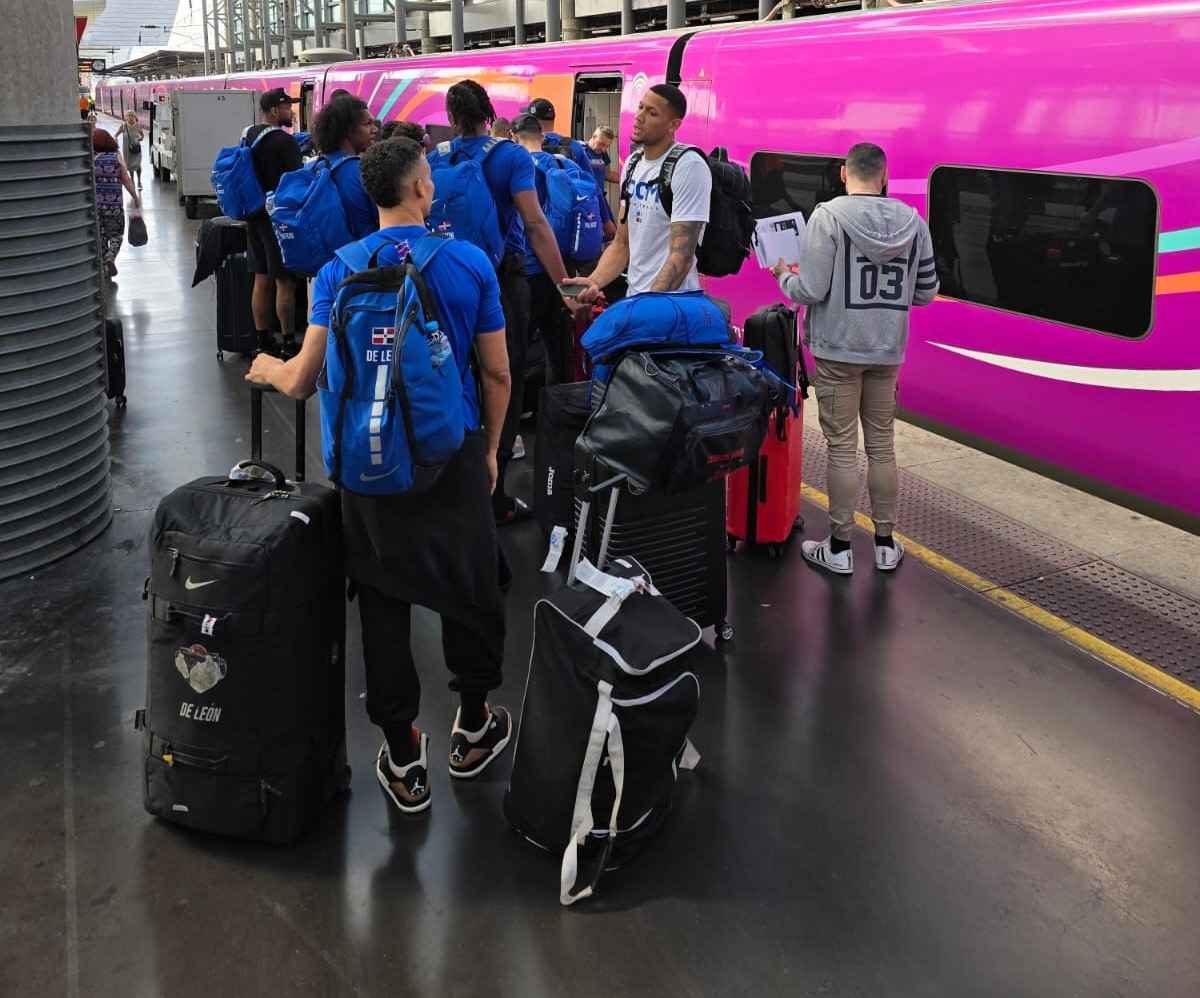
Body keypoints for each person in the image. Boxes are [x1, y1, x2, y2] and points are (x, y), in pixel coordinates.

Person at [245, 138, 514, 815]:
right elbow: (498, 372)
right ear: (423, 190)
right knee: (469, 586)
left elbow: (303, 379)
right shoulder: (469, 263)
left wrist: (264, 368)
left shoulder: (336, 271)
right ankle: (474, 724)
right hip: (450, 453)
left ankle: (402, 755)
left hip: (369, 461)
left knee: (384, 600)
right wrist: (490, 452)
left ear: (372, 195)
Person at [769, 142, 938, 575]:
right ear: (884, 177)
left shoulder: (827, 217)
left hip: (837, 350)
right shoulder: (913, 222)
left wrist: (784, 277)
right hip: (887, 351)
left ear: (844, 174)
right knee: (882, 446)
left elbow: (811, 291)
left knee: (842, 447)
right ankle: (885, 543)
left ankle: (840, 548)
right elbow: (926, 292)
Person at [428, 80, 570, 526]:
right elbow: (534, 223)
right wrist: (563, 283)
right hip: (501, 280)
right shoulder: (511, 156)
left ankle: (448, 477)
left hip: (446, 278)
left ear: (451, 117)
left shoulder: (437, 157)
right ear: (489, 113)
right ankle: (496, 491)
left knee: (452, 370)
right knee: (503, 377)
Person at [567, 84, 711, 302]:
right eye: (641, 107)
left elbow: (681, 258)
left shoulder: (689, 166)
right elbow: (622, 243)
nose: (639, 117)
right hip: (636, 298)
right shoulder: (633, 163)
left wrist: (646, 307)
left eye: (651, 112)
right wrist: (594, 281)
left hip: (672, 306)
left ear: (674, 124)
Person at [512, 112, 576, 386]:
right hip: (564, 266)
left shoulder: (514, 165)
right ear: (542, 135)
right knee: (560, 347)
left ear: (513, 137)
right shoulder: (564, 162)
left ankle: (521, 408)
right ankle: (559, 414)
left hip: (529, 268)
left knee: (518, 345)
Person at [245, 88, 304, 357]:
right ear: (273, 111)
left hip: (254, 215)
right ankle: (289, 343)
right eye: (287, 107)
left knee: (262, 278)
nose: (291, 112)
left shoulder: (248, 135)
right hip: (277, 218)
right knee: (285, 283)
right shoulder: (284, 141)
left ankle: (262, 341)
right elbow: (298, 181)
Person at [310, 93, 379, 240]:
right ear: (347, 129)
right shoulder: (361, 170)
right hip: (363, 255)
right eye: (368, 124)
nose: (375, 130)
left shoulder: (316, 166)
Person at [91, 128, 140, 277]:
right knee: (116, 234)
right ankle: (110, 257)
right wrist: (135, 197)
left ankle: (105, 267)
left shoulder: (90, 159)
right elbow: (126, 180)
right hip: (114, 206)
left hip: (96, 206)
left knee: (101, 236)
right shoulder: (117, 158)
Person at [586, 125, 619, 242]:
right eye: (601, 144)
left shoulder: (603, 154)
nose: (603, 149)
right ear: (594, 136)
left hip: (600, 200)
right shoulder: (580, 151)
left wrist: (628, 179)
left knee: (610, 234)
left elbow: (607, 174)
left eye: (607, 146)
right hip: (586, 200)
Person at [116, 111, 145, 190]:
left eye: (132, 115)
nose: (130, 117)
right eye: (129, 115)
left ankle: (139, 181)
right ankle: (132, 181)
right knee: (130, 165)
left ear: (135, 117)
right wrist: (114, 140)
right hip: (127, 149)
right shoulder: (123, 125)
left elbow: (142, 135)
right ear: (126, 116)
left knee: (138, 165)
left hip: (136, 148)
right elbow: (116, 135)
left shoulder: (138, 125)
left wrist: (141, 138)